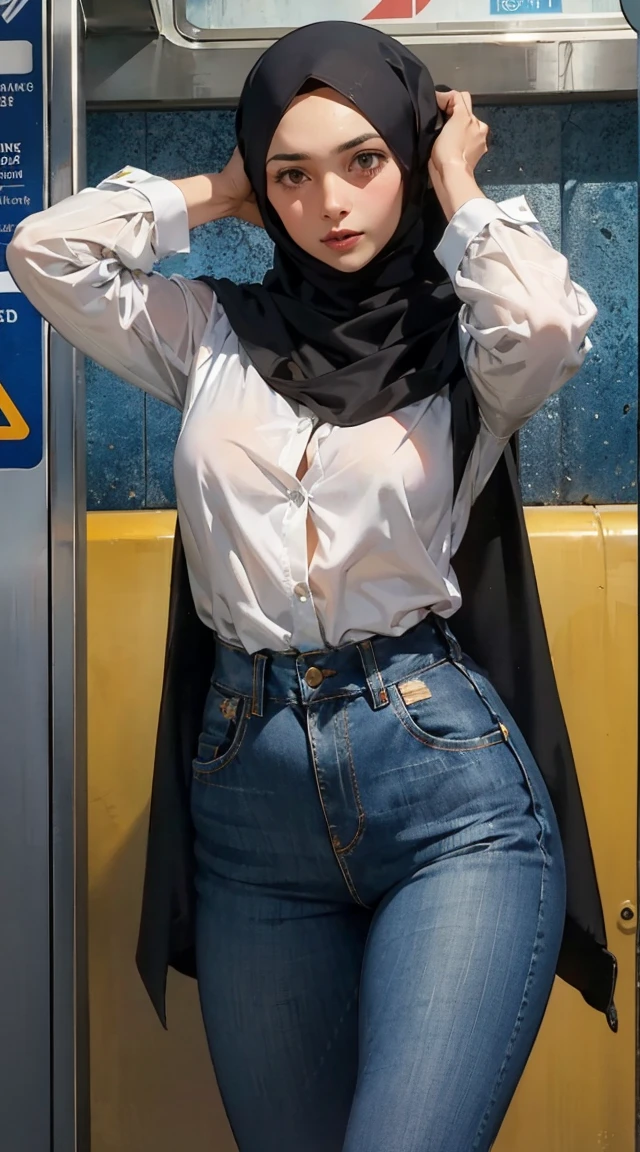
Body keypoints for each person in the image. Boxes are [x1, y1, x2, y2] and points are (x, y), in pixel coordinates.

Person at [7, 20, 616, 1152]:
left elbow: (540, 320)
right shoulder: (211, 336)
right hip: (250, 808)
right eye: (294, 173)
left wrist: (457, 179)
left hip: (447, 795)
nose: (329, 201)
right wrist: (220, 191)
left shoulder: (465, 346)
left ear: (405, 153)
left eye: (364, 160)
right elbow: (45, 251)